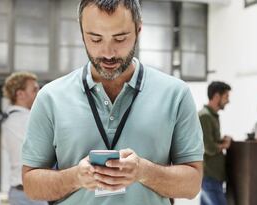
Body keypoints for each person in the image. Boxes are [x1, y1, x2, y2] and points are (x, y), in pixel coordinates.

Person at [21, 1, 204, 205]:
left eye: (120, 38)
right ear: (82, 32)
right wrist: (75, 177)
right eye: (95, 39)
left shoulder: (176, 94)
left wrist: (143, 171)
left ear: (138, 30)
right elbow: (31, 185)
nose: (108, 52)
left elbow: (192, 185)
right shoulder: (50, 97)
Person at [0, 72, 44, 205]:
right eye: (34, 89)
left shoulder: (13, 118)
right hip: (28, 195)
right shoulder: (22, 120)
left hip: (24, 193)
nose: (39, 93)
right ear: (20, 94)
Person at [199, 81, 232, 205]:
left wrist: (221, 140)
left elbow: (210, 141)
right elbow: (209, 147)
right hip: (210, 176)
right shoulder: (205, 116)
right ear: (217, 96)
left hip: (213, 176)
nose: (228, 101)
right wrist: (224, 145)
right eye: (226, 97)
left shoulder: (212, 116)